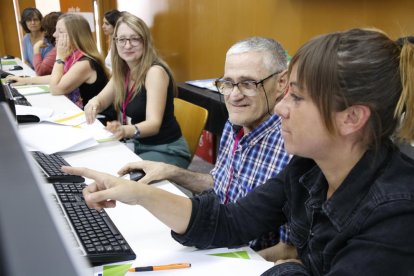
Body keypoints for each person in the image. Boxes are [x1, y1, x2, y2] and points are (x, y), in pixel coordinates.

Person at [64, 28, 414, 275]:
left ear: (351, 117)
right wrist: (137, 194)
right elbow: (232, 221)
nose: (281, 108)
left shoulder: (396, 214)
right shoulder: (309, 167)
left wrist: (292, 269)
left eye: (297, 96)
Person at [116, 36, 292, 251]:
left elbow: (289, 249)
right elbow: (219, 184)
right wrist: (170, 171)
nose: (234, 96)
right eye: (228, 83)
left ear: (281, 82)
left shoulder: (294, 143)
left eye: (248, 83)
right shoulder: (235, 122)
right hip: (218, 236)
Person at [84, 13, 191, 168]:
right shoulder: (122, 72)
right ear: (115, 42)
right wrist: (93, 103)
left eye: (134, 39)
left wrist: (124, 130)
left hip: (166, 149)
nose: (127, 46)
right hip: (138, 144)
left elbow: (153, 124)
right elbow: (101, 100)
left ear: (145, 42)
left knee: (117, 176)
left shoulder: (155, 72)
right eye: (122, 39)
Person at [8, 13, 116, 121]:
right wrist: (25, 80)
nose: (54, 35)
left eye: (60, 31)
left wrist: (59, 57)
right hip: (83, 115)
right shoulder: (74, 55)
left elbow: (56, 88)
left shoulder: (85, 63)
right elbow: (57, 78)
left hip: (97, 121)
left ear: (74, 35)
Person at [32, 12, 62, 76]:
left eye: (46, 30)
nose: (44, 33)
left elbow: (40, 71)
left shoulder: (59, 47)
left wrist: (36, 48)